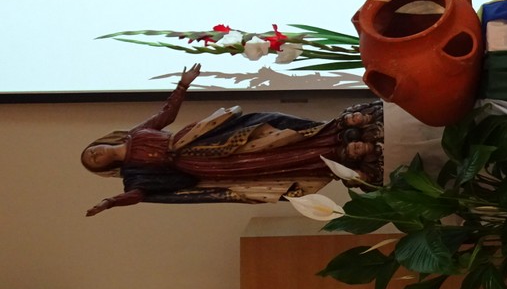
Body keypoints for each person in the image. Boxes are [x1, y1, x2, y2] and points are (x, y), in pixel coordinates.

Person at [82, 64, 383, 215]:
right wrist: (109, 202)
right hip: (210, 166)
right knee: (271, 160)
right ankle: (336, 156)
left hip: (206, 137)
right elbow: (138, 194)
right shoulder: (133, 175)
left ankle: (332, 132)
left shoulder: (136, 134)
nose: (95, 155)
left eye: (91, 151)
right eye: (93, 161)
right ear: (103, 168)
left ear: (100, 142)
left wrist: (182, 86)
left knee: (269, 125)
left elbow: (166, 114)